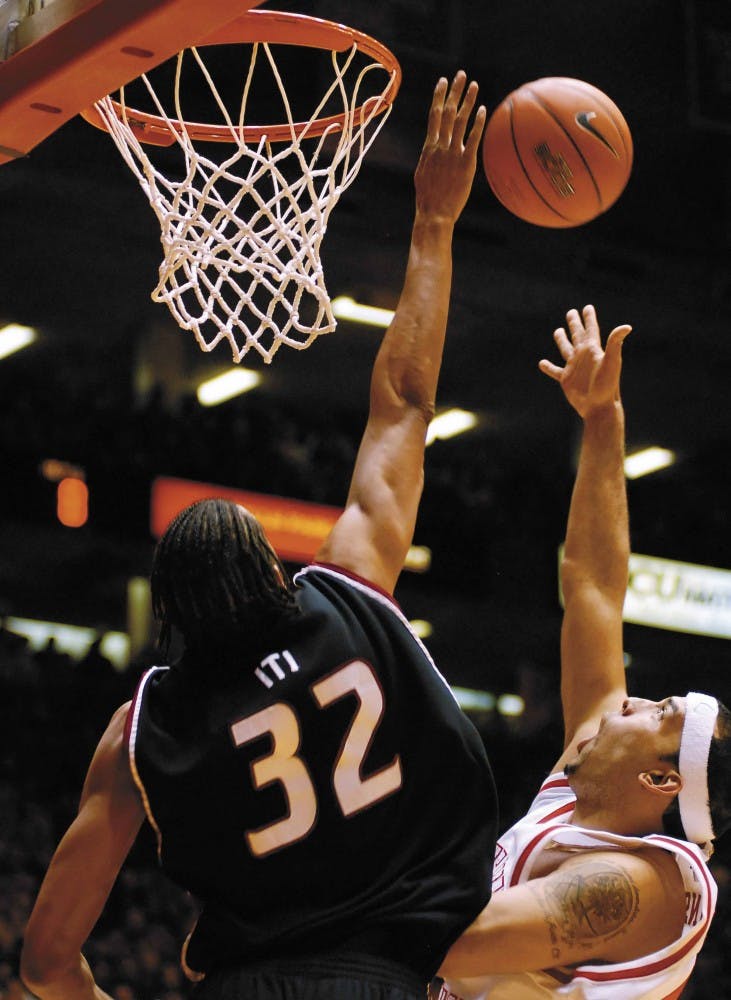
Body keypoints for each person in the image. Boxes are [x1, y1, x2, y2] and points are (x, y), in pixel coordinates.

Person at [20, 72, 498, 1000]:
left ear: (174, 617)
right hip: (380, 973)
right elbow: (403, 405)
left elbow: (43, 963)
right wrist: (433, 224)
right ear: (271, 569)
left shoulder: (143, 728)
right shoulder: (349, 595)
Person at [434, 304, 731, 999]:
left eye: (652, 710)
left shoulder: (650, 882)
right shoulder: (586, 788)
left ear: (661, 783)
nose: (623, 699)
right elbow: (594, 588)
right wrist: (602, 421)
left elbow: (450, 942)